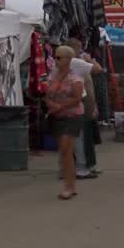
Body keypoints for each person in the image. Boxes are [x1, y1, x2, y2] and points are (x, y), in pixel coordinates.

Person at [45, 46, 85, 200]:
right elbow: (47, 94)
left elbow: (77, 99)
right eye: (55, 57)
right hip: (57, 116)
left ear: (68, 60)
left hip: (72, 116)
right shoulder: (53, 76)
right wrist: (50, 104)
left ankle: (69, 186)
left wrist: (60, 106)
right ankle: (71, 184)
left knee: (66, 147)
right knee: (64, 151)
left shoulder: (75, 77)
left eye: (59, 57)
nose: (55, 60)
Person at [64, 38, 103, 178]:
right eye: (78, 48)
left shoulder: (76, 63)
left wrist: (94, 106)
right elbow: (98, 69)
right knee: (80, 138)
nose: (81, 51)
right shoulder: (76, 62)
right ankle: (81, 167)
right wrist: (90, 59)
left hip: (86, 104)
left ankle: (88, 165)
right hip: (80, 104)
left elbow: (89, 83)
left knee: (86, 137)